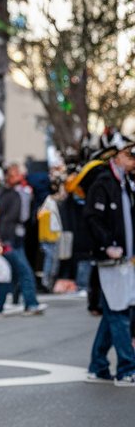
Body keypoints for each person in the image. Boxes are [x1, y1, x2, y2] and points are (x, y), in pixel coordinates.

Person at [84, 141, 135, 384]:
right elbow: (93, 218)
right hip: (110, 258)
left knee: (114, 311)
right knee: (119, 312)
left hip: (125, 259)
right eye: (131, 155)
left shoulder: (126, 184)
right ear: (117, 156)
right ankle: (127, 368)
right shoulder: (103, 183)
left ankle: (98, 365)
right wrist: (107, 245)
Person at [0, 162, 44, 315]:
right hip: (8, 238)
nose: (18, 175)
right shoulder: (5, 193)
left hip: (14, 237)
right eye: (14, 173)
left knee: (8, 272)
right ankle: (31, 303)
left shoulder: (18, 192)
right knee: (23, 271)